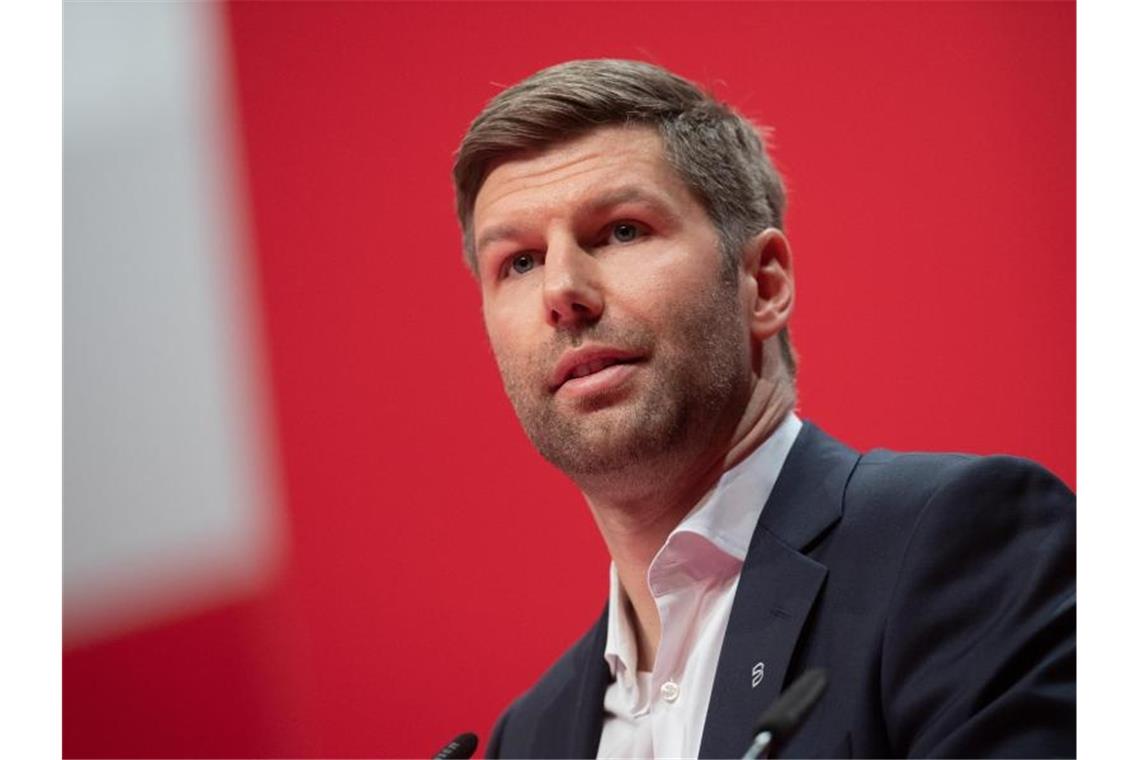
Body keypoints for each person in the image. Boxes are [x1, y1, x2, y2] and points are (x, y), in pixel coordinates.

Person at [451, 59, 1075, 759]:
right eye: (520, 261)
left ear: (764, 283)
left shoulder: (958, 547)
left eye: (621, 231)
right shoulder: (529, 738)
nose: (562, 290)